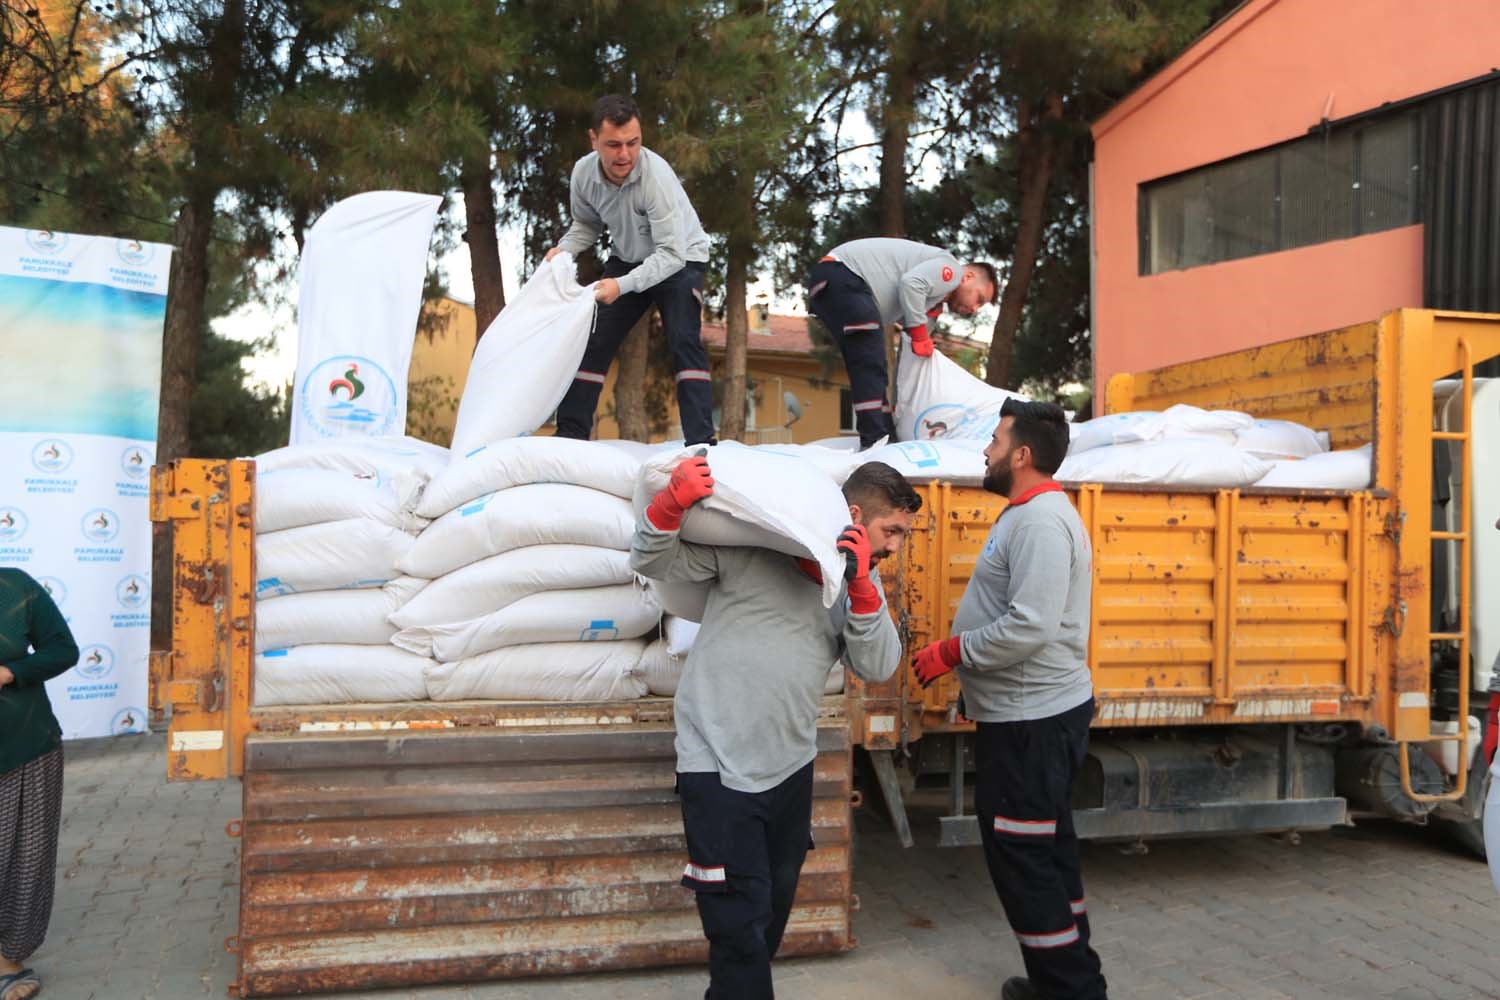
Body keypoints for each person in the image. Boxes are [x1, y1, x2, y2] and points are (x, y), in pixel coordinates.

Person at [630, 457, 920, 998]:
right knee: (738, 932)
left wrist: (860, 589)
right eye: (893, 531)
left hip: (789, 771)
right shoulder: (752, 555)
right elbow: (651, 556)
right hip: (717, 770)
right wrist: (671, 503)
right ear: (854, 516)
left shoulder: (858, 586)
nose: (896, 547)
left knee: (764, 926)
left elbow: (879, 664)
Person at [910, 399, 1107, 1000]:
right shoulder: (1027, 514)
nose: (987, 451)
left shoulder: (1043, 522)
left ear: (1022, 455)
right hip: (1028, 717)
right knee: (1045, 850)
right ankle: (1066, 979)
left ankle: (1070, 991)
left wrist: (953, 652)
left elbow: (1030, 626)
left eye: (995, 441)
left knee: (1023, 856)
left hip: (1033, 722)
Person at [546, 93, 717, 445]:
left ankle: (701, 441)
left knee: (684, 339)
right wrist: (563, 250)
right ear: (593, 140)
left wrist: (620, 286)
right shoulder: (583, 174)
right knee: (591, 339)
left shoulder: (655, 178)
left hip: (681, 258)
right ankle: (570, 435)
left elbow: (671, 254)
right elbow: (586, 225)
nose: (625, 155)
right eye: (614, 145)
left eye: (633, 143)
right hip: (627, 258)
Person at [806, 237, 998, 448]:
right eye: (979, 299)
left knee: (872, 365)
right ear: (967, 277)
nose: (974, 309)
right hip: (843, 275)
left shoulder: (929, 306)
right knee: (871, 362)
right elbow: (911, 283)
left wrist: (901, 406)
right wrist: (919, 334)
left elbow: (907, 361)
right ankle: (874, 443)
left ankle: (887, 434)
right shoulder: (950, 269)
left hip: (831, 286)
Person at [0, 568, 80, 1000]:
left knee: (26, 857)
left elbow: (63, 651)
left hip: (26, 746)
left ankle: (8, 959)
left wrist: (11, 673)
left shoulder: (14, 588)